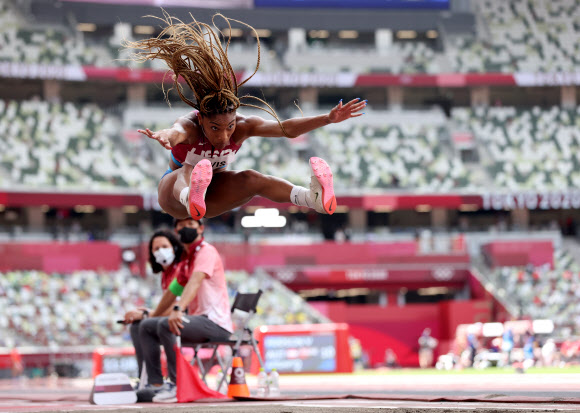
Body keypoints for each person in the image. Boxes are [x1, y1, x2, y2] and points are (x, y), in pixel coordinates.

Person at [127, 13, 366, 220]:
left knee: (252, 178)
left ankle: (311, 198)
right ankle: (190, 194)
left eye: (228, 127)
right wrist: (167, 136)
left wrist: (328, 118)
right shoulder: (189, 126)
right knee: (189, 169)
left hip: (213, 195)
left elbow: (285, 129)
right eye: (215, 128)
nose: (224, 136)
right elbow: (175, 132)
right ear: (201, 120)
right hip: (173, 197)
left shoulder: (242, 126)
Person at [139, 217, 232, 403]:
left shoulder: (206, 251)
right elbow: (172, 292)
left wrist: (178, 309)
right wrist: (151, 315)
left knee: (167, 324)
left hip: (214, 323)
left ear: (201, 228)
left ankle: (176, 384)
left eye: (191, 224)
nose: (186, 228)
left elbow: (195, 281)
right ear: (176, 232)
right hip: (198, 322)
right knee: (146, 326)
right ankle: (156, 385)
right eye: (181, 225)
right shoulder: (187, 260)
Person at [122, 228, 185, 379]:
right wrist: (149, 312)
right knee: (136, 326)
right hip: (171, 319)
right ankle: (145, 378)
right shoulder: (165, 276)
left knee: (144, 324)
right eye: (156, 249)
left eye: (164, 247)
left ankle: (159, 380)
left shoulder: (180, 270)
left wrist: (147, 314)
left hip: (185, 319)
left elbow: (177, 308)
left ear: (174, 248)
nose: (160, 251)